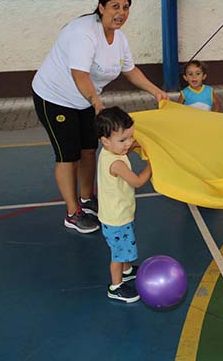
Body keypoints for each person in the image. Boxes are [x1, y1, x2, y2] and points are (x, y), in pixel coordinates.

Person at [32, 0, 169, 234]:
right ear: (101, 7)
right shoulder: (84, 33)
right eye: (115, 6)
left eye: (126, 7)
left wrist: (156, 91)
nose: (121, 12)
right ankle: (73, 213)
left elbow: (130, 70)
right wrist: (96, 101)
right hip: (54, 97)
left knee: (88, 149)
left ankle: (87, 199)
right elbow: (79, 74)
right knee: (68, 154)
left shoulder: (119, 38)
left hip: (86, 99)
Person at [96, 106, 151, 303]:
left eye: (130, 137)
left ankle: (127, 271)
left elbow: (128, 145)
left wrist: (135, 144)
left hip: (118, 214)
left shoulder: (110, 151)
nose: (128, 143)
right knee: (118, 254)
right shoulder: (116, 163)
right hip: (116, 219)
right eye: (123, 140)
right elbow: (137, 182)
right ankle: (116, 286)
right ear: (105, 141)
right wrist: (151, 166)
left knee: (125, 246)